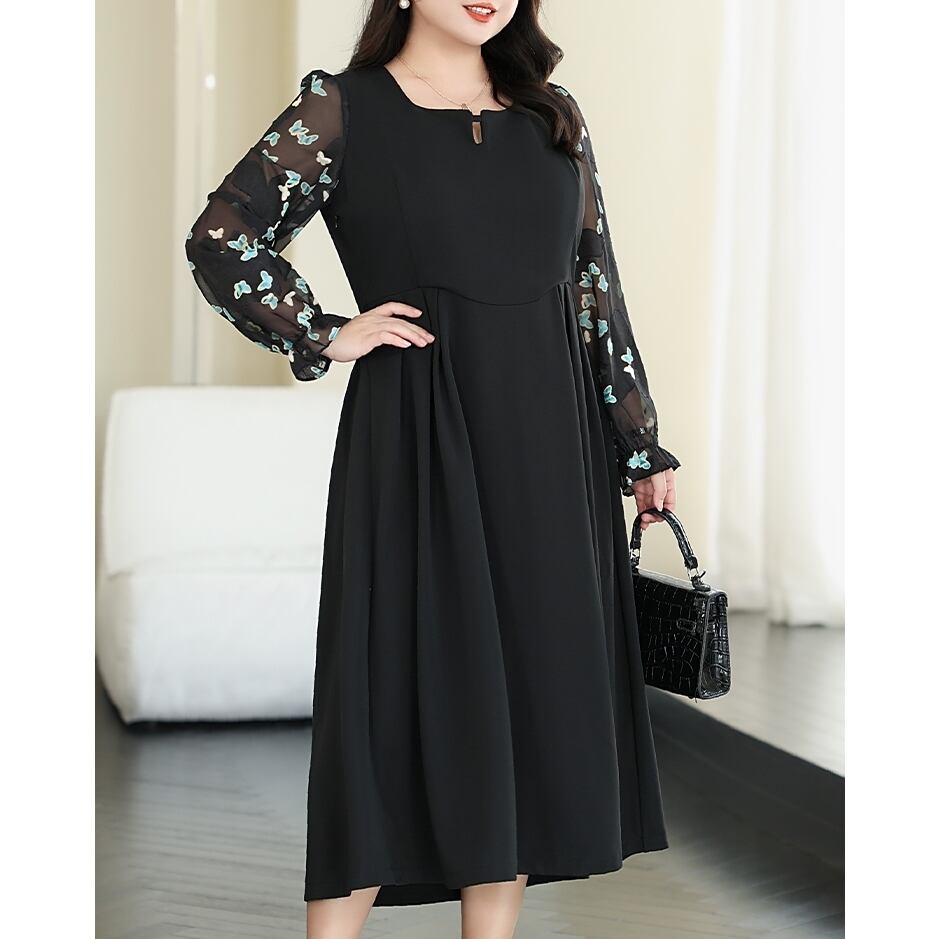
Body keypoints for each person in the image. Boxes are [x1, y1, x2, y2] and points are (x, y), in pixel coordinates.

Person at [185, 2, 680, 937]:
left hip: (552, 445)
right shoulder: (341, 108)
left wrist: (638, 439)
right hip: (418, 433)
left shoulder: (552, 114)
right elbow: (221, 236)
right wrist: (323, 331)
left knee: (526, 693)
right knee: (386, 693)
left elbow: (594, 285)